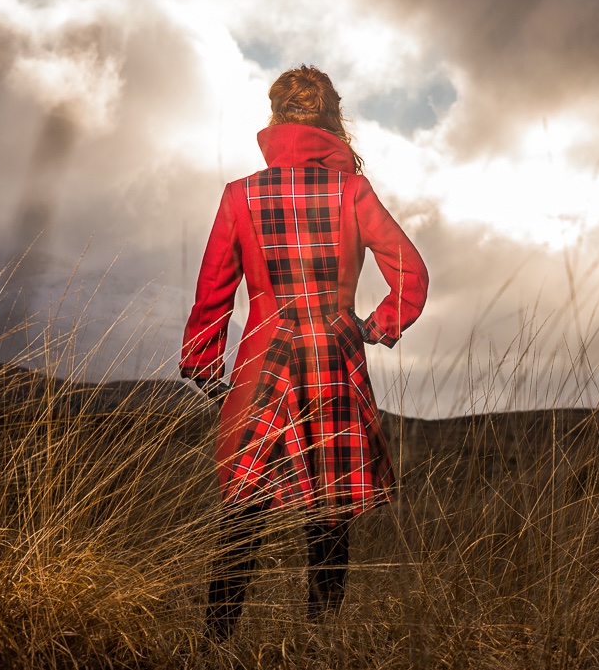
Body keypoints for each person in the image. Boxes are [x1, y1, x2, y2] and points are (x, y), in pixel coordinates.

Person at [179, 65, 429, 642]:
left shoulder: (239, 194)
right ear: (333, 121)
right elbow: (410, 273)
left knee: (243, 505)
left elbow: (214, 288)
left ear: (275, 120)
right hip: (334, 356)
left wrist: (201, 359)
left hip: (263, 357)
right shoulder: (353, 191)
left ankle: (215, 642)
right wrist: (375, 326)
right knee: (330, 506)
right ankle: (320, 643)